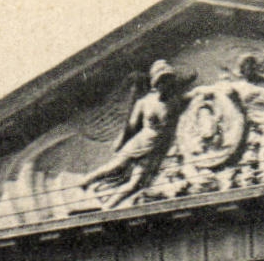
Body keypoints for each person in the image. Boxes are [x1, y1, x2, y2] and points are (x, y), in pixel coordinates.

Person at [79, 59, 192, 208]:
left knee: (135, 184)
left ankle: (108, 207)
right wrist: (121, 141)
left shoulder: (174, 102)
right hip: (139, 143)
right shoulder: (144, 102)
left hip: (155, 149)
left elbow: (191, 88)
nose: (167, 85)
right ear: (156, 83)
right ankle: (84, 182)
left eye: (169, 81)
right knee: (114, 166)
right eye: (163, 81)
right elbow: (131, 126)